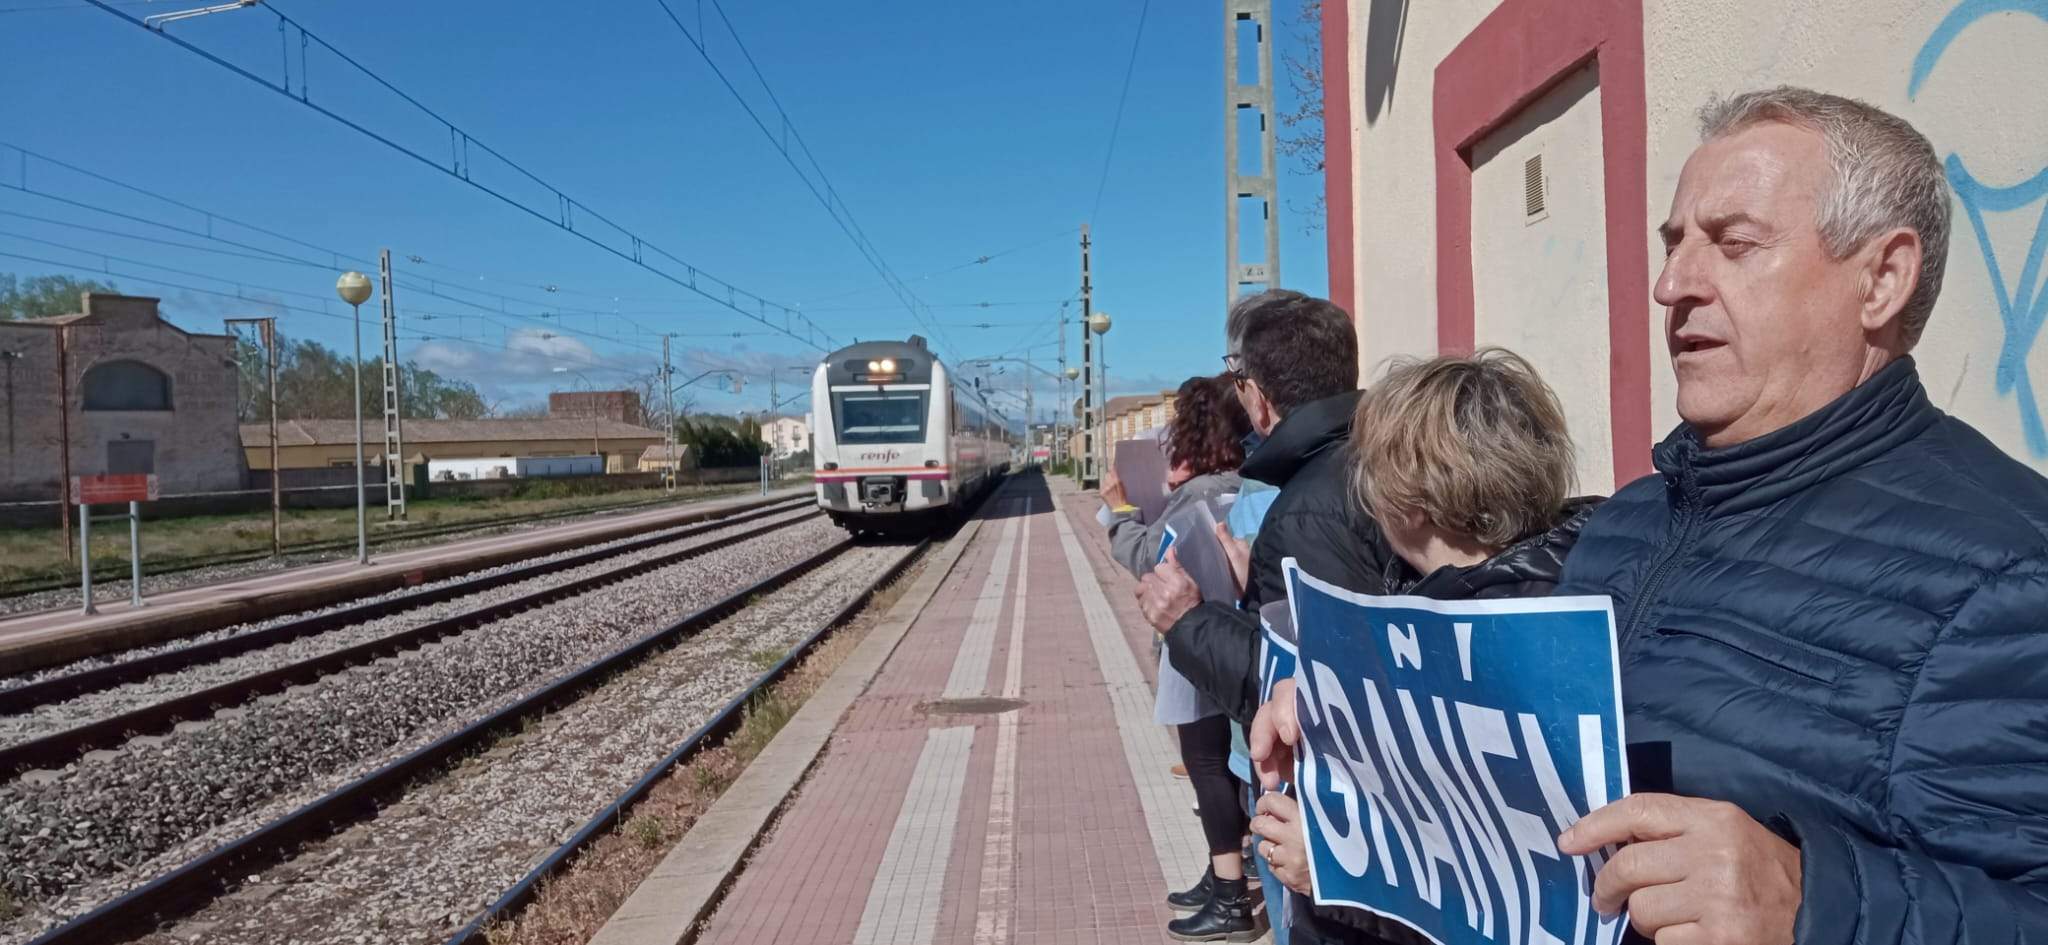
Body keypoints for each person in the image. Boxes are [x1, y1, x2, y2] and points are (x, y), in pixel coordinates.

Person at [1536, 87, 2044, 944]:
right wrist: (1349, 732)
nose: (1672, 285)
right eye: (1674, 246)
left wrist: (1813, 901)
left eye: (1734, 245)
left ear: (1882, 278)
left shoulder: (2008, 573)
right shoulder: (1625, 521)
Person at [1245, 348, 1601, 944]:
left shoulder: (1485, 636)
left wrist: (1338, 866)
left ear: (1404, 497)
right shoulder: (1583, 591)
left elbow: (1524, 894)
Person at [1136, 289, 1405, 941]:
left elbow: (1306, 689)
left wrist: (1188, 618)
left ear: (1256, 394)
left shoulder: (1307, 508)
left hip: (1325, 825)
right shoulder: (1376, 466)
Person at [1101, 374, 1259, 941]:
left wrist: (1119, 508)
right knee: (1224, 763)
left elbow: (1148, 558)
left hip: (1199, 640)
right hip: (1236, 636)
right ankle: (1223, 875)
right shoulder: (1246, 481)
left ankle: (1231, 898)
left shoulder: (1196, 494)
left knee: (1206, 763)